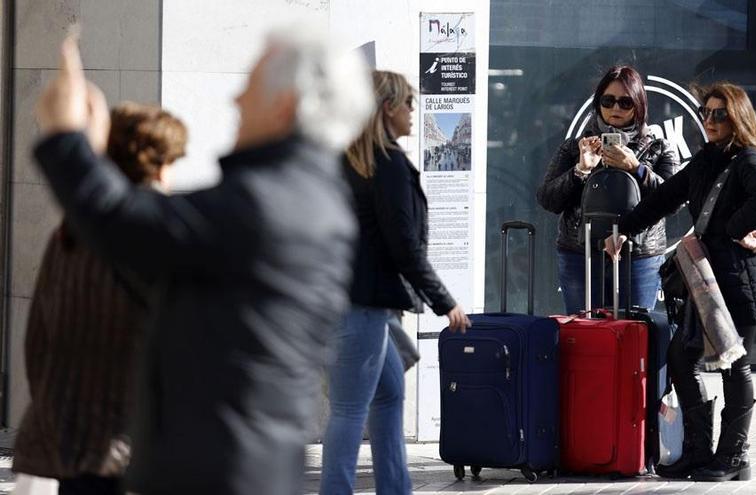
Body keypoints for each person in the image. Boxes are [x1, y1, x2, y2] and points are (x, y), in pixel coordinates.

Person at [31, 24, 373, 494]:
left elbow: (126, 225)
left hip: (223, 474)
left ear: (283, 106)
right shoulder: (300, 195)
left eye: (249, 86)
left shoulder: (269, 202)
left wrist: (67, 138)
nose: (235, 100)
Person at [605, 82, 756, 481]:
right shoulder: (707, 160)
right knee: (682, 358)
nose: (710, 120)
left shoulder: (747, 158)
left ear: (737, 117)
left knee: (734, 365)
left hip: (740, 279)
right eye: (706, 112)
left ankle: (733, 457)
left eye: (719, 114)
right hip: (710, 281)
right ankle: (700, 451)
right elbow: (664, 198)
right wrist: (624, 231)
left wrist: (736, 230)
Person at [12, 103, 187, 495]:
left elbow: (38, 336)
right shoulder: (160, 232)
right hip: (135, 438)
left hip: (75, 435)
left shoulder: (69, 235)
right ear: (160, 166)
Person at [322, 69, 470, 495]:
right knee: (349, 411)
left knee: (388, 397)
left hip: (358, 305)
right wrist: (445, 302)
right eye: (408, 103)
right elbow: (404, 246)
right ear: (387, 108)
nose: (413, 111)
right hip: (362, 308)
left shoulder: (346, 163)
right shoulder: (385, 166)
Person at [537, 65, 679, 314]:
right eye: (608, 100)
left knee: (635, 335)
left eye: (625, 103)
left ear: (639, 106)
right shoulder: (576, 147)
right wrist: (580, 170)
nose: (615, 109)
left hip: (638, 257)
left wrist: (636, 168)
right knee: (582, 335)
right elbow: (548, 199)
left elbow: (673, 201)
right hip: (580, 254)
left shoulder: (659, 148)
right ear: (598, 103)